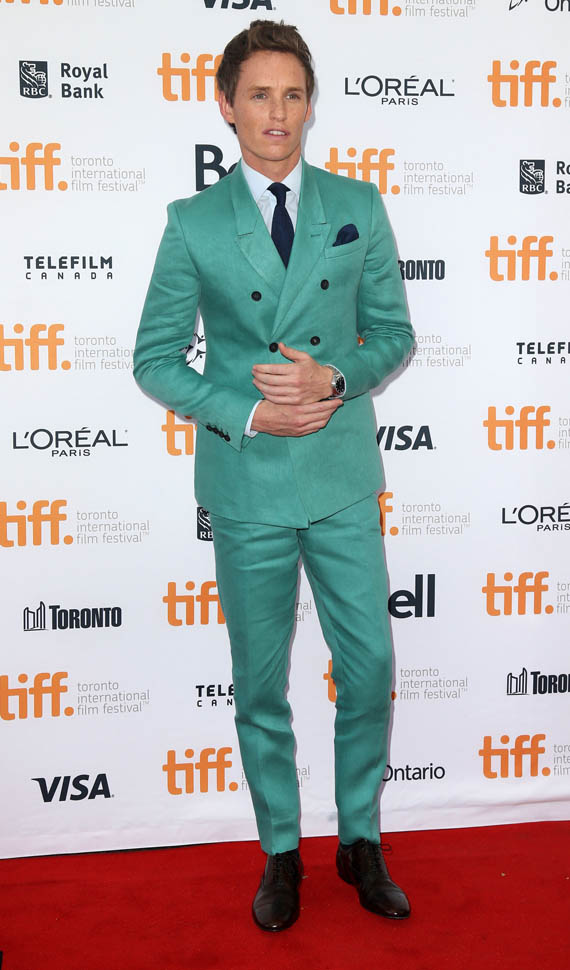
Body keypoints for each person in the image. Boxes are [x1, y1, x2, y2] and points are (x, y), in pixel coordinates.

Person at [134, 19, 414, 933]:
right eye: (259, 94)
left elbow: (393, 335)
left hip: (340, 475)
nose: (278, 112)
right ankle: (282, 850)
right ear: (226, 104)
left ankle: (360, 837)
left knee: (369, 667)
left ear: (310, 104)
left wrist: (335, 380)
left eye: (293, 94)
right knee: (258, 682)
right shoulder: (192, 223)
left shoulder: (356, 204)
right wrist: (250, 411)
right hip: (248, 480)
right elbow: (154, 360)